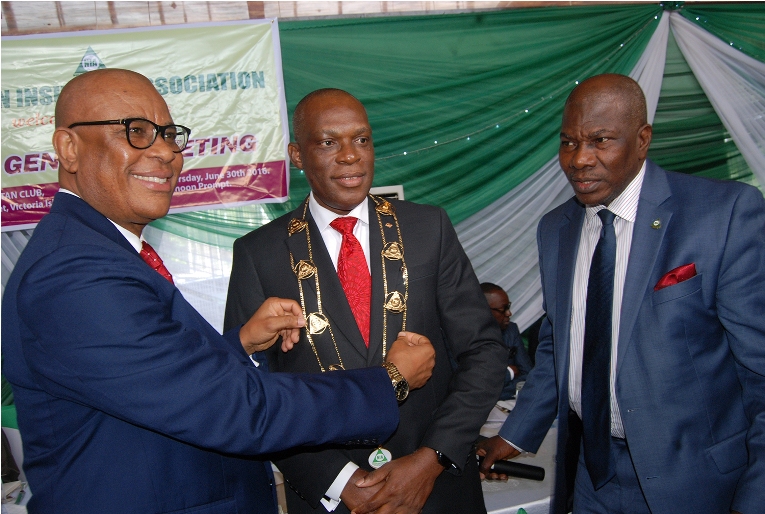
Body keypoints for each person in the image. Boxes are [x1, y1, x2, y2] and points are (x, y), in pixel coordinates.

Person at [1, 69, 437, 514]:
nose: (166, 152)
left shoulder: (101, 251)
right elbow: (235, 410)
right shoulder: (75, 274)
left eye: (169, 135)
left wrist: (241, 343)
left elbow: (160, 381)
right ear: (68, 149)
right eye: (135, 132)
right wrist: (389, 381)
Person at [478, 74, 765, 514]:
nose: (579, 159)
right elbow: (561, 347)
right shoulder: (556, 228)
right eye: (569, 142)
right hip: (590, 474)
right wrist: (514, 434)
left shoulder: (723, 215)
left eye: (600, 141)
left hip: (697, 484)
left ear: (642, 139)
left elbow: (759, 374)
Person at [224, 88, 507, 514]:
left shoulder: (428, 228)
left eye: (361, 139)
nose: (350, 155)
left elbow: (483, 353)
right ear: (297, 155)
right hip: (332, 499)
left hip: (437, 490)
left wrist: (430, 461)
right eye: (327, 142)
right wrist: (343, 483)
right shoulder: (259, 254)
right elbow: (251, 391)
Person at [480, 283, 533, 400]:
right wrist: (510, 373)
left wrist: (494, 392)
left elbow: (528, 376)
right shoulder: (462, 337)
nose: (509, 313)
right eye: (503, 309)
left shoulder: (511, 330)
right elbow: (473, 385)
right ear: (484, 310)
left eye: (508, 306)